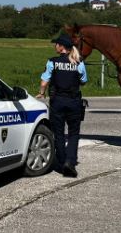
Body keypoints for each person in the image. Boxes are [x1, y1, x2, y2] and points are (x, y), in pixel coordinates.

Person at [36, 34, 88, 178]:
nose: (55, 46)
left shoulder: (52, 62)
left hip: (57, 102)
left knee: (58, 133)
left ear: (61, 47)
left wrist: (41, 93)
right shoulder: (79, 62)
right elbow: (84, 80)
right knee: (73, 133)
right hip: (74, 102)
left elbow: (44, 80)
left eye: (56, 44)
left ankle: (61, 161)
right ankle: (70, 162)